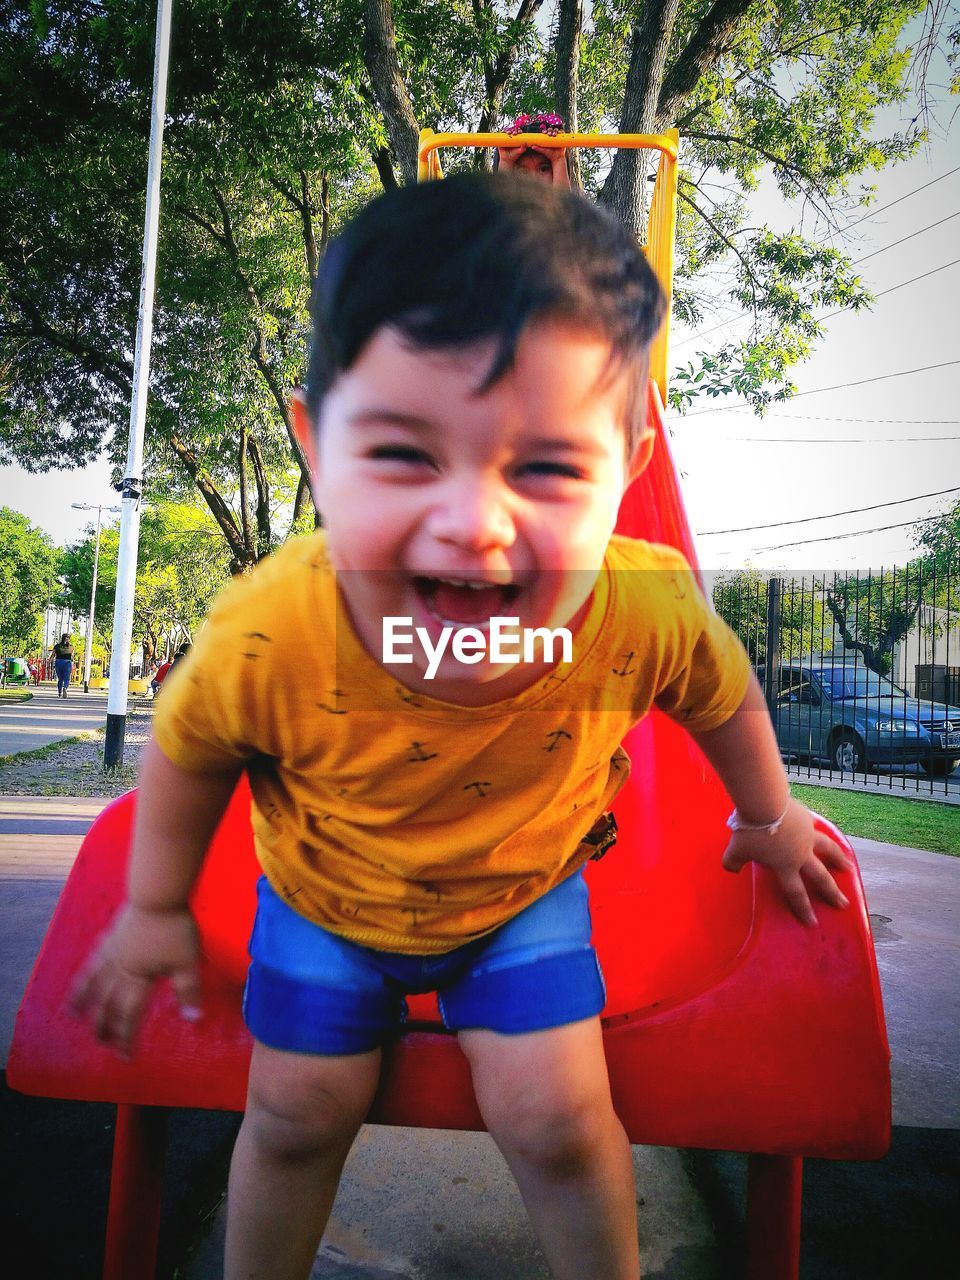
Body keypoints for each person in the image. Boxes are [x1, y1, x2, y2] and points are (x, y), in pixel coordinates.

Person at [71, 175, 851, 1280]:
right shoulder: (272, 626)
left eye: (544, 466)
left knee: (560, 1121)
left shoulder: (643, 605)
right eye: (403, 454)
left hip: (520, 894)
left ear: (625, 469)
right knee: (295, 1109)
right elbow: (191, 747)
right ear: (315, 444)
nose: (474, 522)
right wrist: (155, 904)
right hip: (327, 897)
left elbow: (724, 695)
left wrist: (768, 815)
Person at [495, 110, 571, 186]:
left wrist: (558, 159)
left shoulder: (558, 193)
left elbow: (563, 197)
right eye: (523, 172)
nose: (534, 179)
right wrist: (506, 162)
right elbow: (502, 197)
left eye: (544, 169)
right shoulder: (512, 195)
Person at [52, 633, 74, 698]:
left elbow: (53, 655)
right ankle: (65, 688)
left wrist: (50, 661)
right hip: (67, 662)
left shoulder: (57, 646)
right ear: (68, 639)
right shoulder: (71, 647)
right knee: (67, 678)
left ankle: (59, 693)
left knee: (60, 679)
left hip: (58, 662)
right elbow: (72, 657)